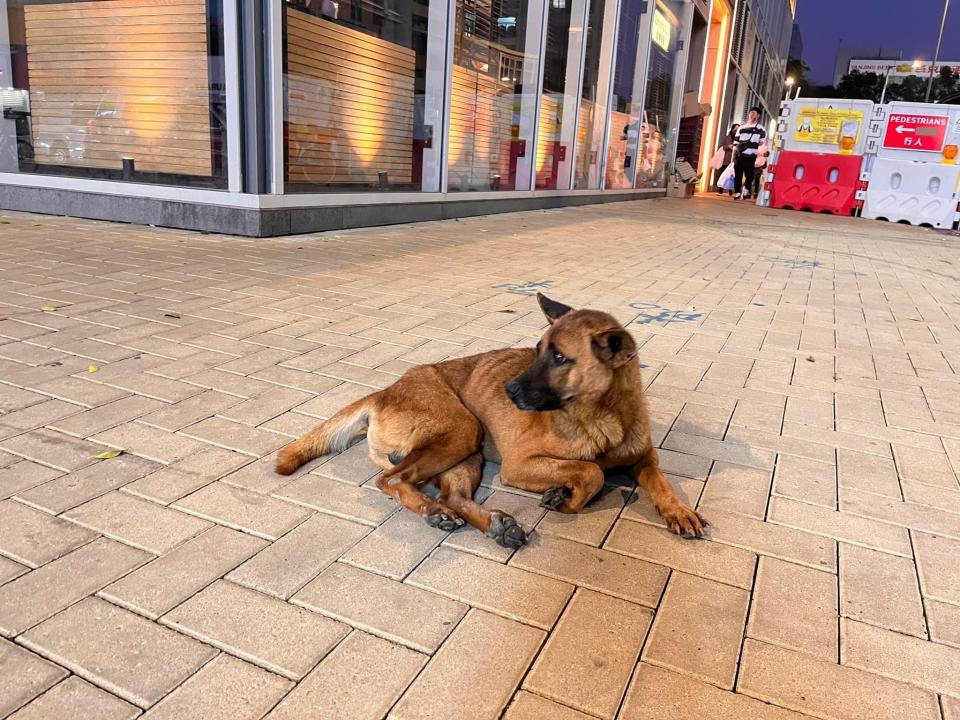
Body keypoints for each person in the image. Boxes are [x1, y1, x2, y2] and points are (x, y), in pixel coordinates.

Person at [731, 106, 766, 200]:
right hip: (740, 155)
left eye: (754, 113)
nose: (752, 115)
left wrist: (759, 142)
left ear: (758, 116)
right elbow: (736, 142)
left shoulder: (761, 128)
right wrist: (733, 156)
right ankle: (737, 192)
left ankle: (746, 189)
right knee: (737, 174)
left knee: (749, 175)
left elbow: (762, 141)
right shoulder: (741, 128)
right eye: (751, 113)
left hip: (751, 155)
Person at [712, 124, 738, 195]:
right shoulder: (727, 138)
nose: (736, 131)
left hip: (735, 159)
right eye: (735, 129)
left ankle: (730, 191)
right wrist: (728, 146)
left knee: (732, 175)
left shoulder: (739, 139)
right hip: (726, 159)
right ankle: (720, 190)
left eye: (737, 129)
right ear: (732, 129)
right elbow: (722, 146)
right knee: (723, 174)